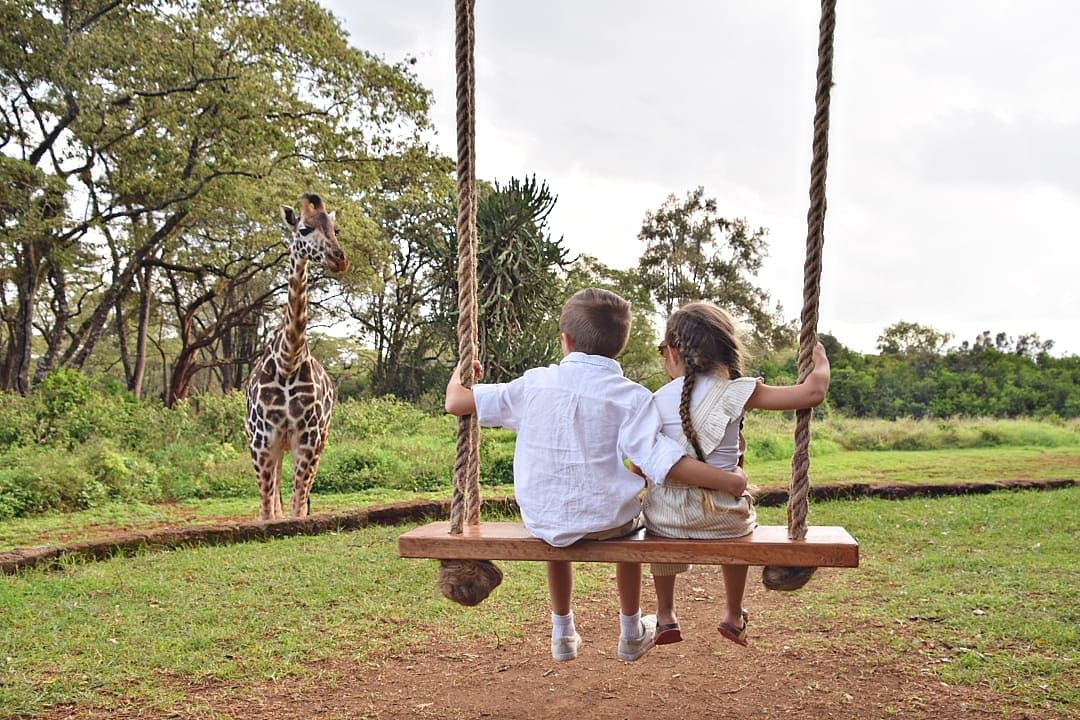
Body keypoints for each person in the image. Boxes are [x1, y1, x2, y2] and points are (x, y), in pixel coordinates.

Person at [445, 288, 747, 663]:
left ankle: (562, 632)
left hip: (543, 521)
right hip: (609, 523)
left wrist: (462, 374)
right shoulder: (632, 396)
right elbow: (661, 461)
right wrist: (728, 480)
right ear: (619, 346)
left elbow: (456, 402)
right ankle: (631, 630)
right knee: (633, 525)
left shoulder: (535, 383)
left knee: (559, 532)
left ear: (566, 341)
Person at [641, 301, 830, 647]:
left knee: (659, 521)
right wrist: (820, 362)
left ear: (672, 353)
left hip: (667, 520)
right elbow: (812, 393)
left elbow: (644, 462)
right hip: (724, 519)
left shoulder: (654, 400)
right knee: (739, 532)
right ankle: (732, 613)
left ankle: (666, 615)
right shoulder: (739, 390)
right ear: (725, 349)